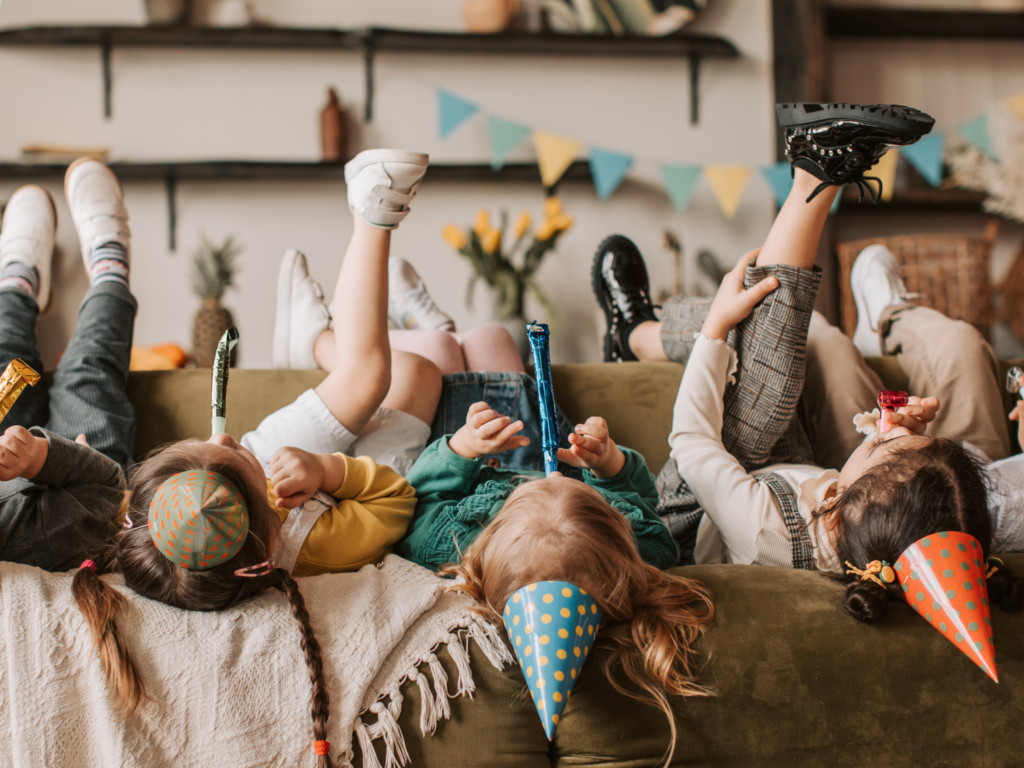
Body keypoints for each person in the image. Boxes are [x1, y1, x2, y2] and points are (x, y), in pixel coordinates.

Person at [70, 149, 446, 768]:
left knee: (369, 375)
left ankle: (373, 208)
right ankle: (314, 342)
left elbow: (121, 506)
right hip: (343, 481)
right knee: (420, 374)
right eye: (234, 460)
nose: (225, 441)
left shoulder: (187, 500)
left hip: (277, 457)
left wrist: (77, 464)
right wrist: (329, 471)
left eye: (203, 448)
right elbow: (395, 500)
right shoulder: (320, 544)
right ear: (268, 529)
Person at [591, 102, 1023, 621]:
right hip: (798, 476)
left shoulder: (764, 529)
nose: (886, 430)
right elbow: (881, 476)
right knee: (858, 344)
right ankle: (827, 186)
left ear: (840, 504)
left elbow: (692, 442)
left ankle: (639, 332)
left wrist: (715, 329)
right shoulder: (877, 520)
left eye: (881, 444)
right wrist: (891, 441)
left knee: (792, 356)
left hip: (705, 505)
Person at [431, 412, 715, 766]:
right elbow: (641, 496)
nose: (554, 477)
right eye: (578, 492)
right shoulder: (643, 549)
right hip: (572, 453)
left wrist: (461, 448)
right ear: (614, 523)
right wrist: (608, 465)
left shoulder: (451, 539)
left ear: (492, 535)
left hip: (485, 461)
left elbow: (424, 496)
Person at [0, 159, 137, 571]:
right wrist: (39, 457)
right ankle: (111, 267)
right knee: (87, 373)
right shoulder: (33, 539)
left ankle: (17, 279)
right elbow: (108, 488)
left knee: (7, 358)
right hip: (81, 480)